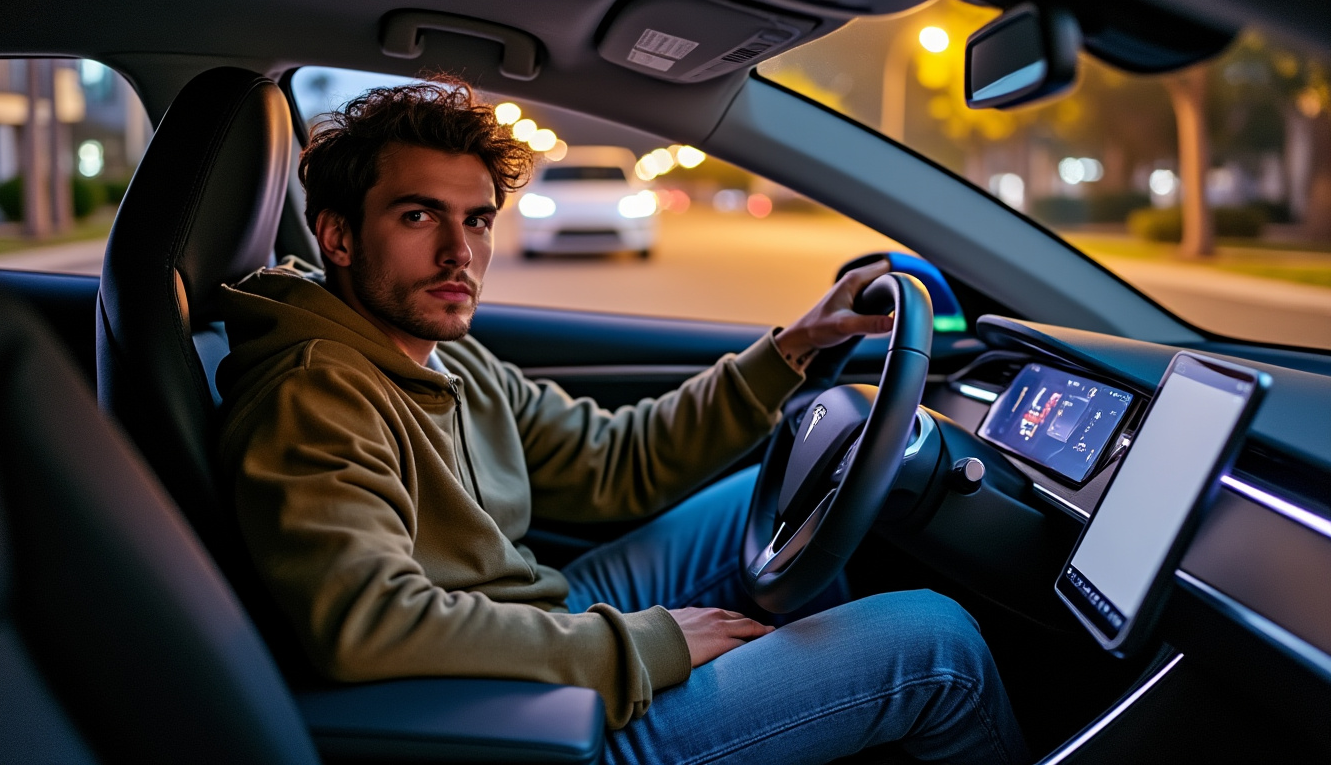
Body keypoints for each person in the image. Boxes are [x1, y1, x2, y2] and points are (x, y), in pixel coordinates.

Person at [216, 76, 1028, 765]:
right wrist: (644, 643)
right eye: (419, 217)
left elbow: (616, 462)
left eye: (478, 219)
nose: (460, 253)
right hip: (516, 719)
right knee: (934, 642)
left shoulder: (437, 354)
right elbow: (370, 627)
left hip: (531, 622)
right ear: (339, 236)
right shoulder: (314, 396)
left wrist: (797, 346)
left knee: (787, 494)